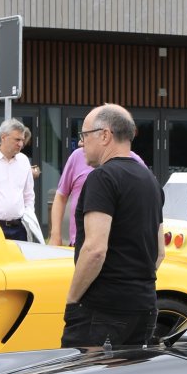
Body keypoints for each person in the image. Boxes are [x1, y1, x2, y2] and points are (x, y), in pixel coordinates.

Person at [62, 103, 165, 349]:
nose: (81, 143)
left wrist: (72, 299)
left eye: (84, 135)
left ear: (105, 135)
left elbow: (95, 250)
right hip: (144, 305)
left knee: (83, 373)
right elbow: (160, 252)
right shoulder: (150, 180)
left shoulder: (102, 178)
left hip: (103, 310)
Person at [51, 137, 151, 247]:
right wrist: (55, 235)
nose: (81, 142)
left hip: (120, 247)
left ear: (105, 134)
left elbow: (149, 199)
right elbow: (61, 196)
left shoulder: (134, 161)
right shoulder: (78, 156)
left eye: (86, 134)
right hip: (79, 244)